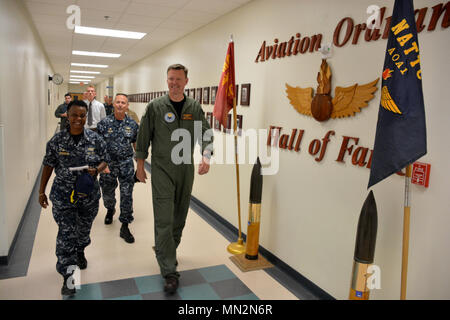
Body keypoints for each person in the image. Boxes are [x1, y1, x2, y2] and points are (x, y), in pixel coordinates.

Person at [135, 64, 213, 294]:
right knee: (164, 218)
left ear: (186, 82)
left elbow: (205, 133)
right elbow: (143, 137)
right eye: (170, 79)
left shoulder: (194, 107)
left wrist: (206, 157)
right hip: (162, 168)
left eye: (178, 79)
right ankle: (169, 270)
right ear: (166, 80)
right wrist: (140, 166)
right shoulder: (156, 107)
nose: (174, 83)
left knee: (180, 215)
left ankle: (165, 249)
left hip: (185, 168)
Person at [38, 99, 108, 297]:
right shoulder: (56, 141)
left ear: (86, 117)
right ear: (67, 117)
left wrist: (96, 170)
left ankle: (81, 250)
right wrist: (41, 191)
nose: (78, 119)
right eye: (74, 115)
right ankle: (70, 278)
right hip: (63, 197)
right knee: (66, 235)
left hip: (89, 196)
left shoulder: (96, 139)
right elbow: (48, 165)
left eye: (82, 115)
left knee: (83, 232)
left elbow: (105, 160)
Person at [97, 93, 139, 243]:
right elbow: (99, 146)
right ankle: (110, 209)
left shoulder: (133, 125)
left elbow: (136, 145)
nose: (121, 105)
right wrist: (102, 165)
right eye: (118, 102)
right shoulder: (104, 123)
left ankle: (125, 225)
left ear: (127, 106)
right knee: (107, 191)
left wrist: (139, 165)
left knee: (127, 194)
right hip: (108, 164)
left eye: (124, 103)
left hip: (126, 163)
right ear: (113, 104)